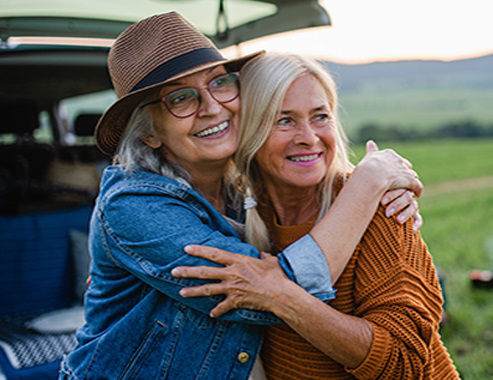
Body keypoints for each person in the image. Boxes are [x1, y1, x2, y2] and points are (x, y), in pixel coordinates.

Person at [59, 12, 423, 380]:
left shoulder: (246, 191)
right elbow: (279, 291)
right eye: (181, 99)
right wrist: (367, 185)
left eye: (219, 83)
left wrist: (383, 188)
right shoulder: (134, 206)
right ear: (149, 133)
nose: (213, 107)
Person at [172, 53, 459, 379]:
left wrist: (281, 296)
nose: (308, 137)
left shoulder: (378, 206)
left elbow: (403, 364)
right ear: (248, 130)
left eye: (320, 116)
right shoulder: (233, 215)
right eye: (284, 120)